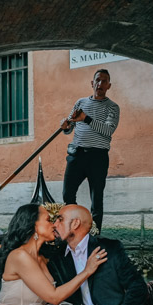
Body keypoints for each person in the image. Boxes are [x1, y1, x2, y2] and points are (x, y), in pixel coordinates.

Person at [50, 204, 149, 305]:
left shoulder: (110, 248)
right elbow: (59, 294)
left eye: (60, 219)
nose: (55, 224)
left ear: (75, 224)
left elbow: (137, 287)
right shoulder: (57, 257)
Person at [61, 68, 120, 233]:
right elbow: (70, 126)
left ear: (109, 85)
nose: (100, 84)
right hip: (77, 155)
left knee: (97, 199)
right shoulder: (80, 103)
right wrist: (65, 126)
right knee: (68, 195)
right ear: (92, 83)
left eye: (104, 81)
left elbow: (108, 130)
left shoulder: (113, 107)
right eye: (98, 80)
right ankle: (73, 230)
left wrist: (85, 118)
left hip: (98, 157)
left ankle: (94, 235)